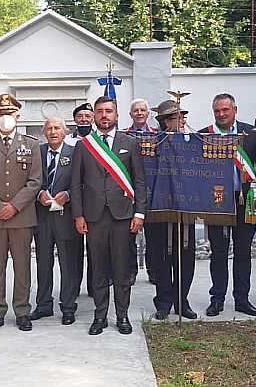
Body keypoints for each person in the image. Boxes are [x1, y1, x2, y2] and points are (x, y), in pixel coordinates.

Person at [71, 96, 147, 335]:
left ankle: (122, 316)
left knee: (122, 269)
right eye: (100, 111)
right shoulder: (84, 146)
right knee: (99, 269)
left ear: (117, 115)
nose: (104, 115)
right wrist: (78, 215)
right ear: (94, 116)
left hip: (123, 216)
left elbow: (140, 182)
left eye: (109, 111)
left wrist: (140, 213)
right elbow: (75, 184)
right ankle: (100, 315)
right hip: (94, 217)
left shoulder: (130, 143)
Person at [0, 94, 42, 333]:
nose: (5, 118)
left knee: (23, 267)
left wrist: (13, 206)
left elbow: (35, 182)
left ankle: (22, 311)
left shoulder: (31, 145)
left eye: (9, 114)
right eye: (1, 114)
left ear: (17, 116)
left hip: (21, 216)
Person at [199, 93, 256, 317]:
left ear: (235, 109)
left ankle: (242, 299)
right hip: (217, 202)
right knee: (218, 252)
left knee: (243, 252)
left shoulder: (252, 133)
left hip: (245, 201)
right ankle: (217, 299)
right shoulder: (205, 135)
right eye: (217, 110)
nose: (221, 114)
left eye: (225, 109)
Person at [29, 116, 81, 325]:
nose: (53, 132)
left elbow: (82, 182)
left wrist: (68, 194)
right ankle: (43, 305)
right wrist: (38, 193)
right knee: (43, 261)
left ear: (65, 131)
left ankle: (68, 307)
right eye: (49, 128)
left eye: (57, 128)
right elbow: (29, 181)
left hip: (65, 216)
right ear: (44, 131)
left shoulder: (75, 153)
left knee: (68, 263)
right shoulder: (37, 153)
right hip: (42, 216)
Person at [148, 100, 197, 320]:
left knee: (185, 256)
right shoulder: (151, 144)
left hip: (185, 209)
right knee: (161, 257)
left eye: (183, 117)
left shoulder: (192, 143)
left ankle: (181, 299)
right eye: (179, 117)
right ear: (167, 122)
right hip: (158, 210)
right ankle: (164, 301)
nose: (183, 121)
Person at [64, 102, 95, 296]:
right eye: (80, 116)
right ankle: (73, 287)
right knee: (74, 251)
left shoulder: (99, 140)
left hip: (94, 201)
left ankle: (94, 287)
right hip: (72, 202)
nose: (84, 119)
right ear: (75, 120)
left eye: (87, 116)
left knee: (95, 249)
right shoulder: (67, 141)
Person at [125, 98, 154, 284]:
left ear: (148, 113)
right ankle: (130, 270)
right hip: (127, 191)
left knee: (152, 233)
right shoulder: (123, 135)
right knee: (129, 234)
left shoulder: (158, 135)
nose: (139, 113)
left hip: (151, 191)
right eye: (136, 110)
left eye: (143, 110)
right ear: (130, 115)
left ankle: (153, 269)